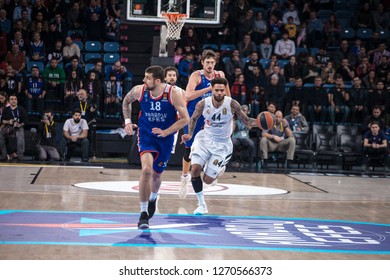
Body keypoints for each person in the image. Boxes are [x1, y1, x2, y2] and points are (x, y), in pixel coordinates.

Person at [122, 65, 189, 229]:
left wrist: (166, 132)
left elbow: (185, 119)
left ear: (157, 81)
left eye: (147, 78)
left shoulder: (174, 93)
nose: (144, 80)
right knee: (146, 170)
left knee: (157, 176)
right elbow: (126, 101)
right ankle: (143, 214)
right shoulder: (140, 91)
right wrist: (128, 122)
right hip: (146, 135)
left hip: (164, 137)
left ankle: (153, 197)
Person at [181, 77, 258, 215]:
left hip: (222, 144)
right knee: (195, 170)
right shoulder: (203, 104)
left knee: (208, 180)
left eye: (222, 90)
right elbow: (193, 118)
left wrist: (263, 123)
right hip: (205, 139)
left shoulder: (232, 104)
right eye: (216, 90)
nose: (219, 93)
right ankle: (202, 204)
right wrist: (190, 134)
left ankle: (220, 166)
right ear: (212, 90)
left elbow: (247, 121)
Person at [179, 49, 230, 199]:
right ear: (202, 63)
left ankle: (213, 167)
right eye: (207, 62)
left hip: (211, 117)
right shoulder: (197, 76)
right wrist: (209, 88)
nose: (210, 65)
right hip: (194, 115)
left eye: (212, 62)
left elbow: (227, 96)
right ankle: (184, 178)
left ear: (215, 63)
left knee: (214, 144)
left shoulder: (220, 75)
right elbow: (188, 95)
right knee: (188, 152)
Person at [0, 94, 27, 161]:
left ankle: (20, 155)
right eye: (11, 99)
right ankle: (4, 155)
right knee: (1, 136)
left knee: (20, 136)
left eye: (15, 99)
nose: (13, 101)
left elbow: (25, 121)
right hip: (8, 126)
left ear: (17, 100)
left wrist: (20, 125)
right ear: (9, 101)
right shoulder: (6, 109)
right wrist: (8, 122)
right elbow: (2, 120)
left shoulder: (21, 109)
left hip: (18, 126)